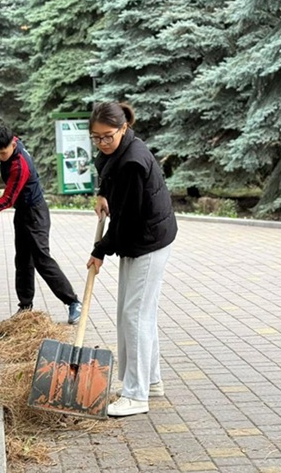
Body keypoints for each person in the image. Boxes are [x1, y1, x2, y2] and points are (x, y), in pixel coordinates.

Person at [86, 102, 178, 417]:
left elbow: (124, 221)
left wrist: (99, 251)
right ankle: (150, 382)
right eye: (95, 138)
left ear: (123, 128)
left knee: (134, 316)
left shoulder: (133, 162)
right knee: (136, 313)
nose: (101, 143)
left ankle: (136, 396)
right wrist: (102, 194)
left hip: (148, 240)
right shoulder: (118, 152)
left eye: (107, 136)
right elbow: (107, 173)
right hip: (139, 238)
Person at [0, 115, 82, 324]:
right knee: (23, 260)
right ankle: (25, 307)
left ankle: (73, 302)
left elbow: (6, 200)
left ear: (12, 144)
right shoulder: (4, 142)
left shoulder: (19, 165)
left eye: (3, 153)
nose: (0, 157)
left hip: (35, 213)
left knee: (42, 260)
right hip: (23, 212)